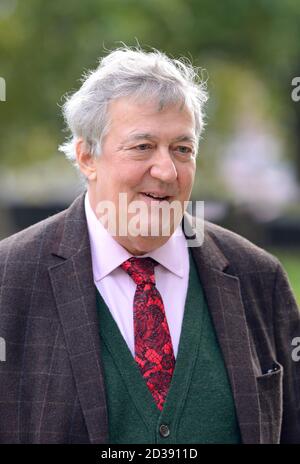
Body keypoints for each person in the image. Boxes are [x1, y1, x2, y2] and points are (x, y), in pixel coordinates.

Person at [0, 46, 299, 445]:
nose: (166, 170)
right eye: (142, 147)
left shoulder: (259, 277)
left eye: (182, 149)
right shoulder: (8, 281)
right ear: (87, 156)